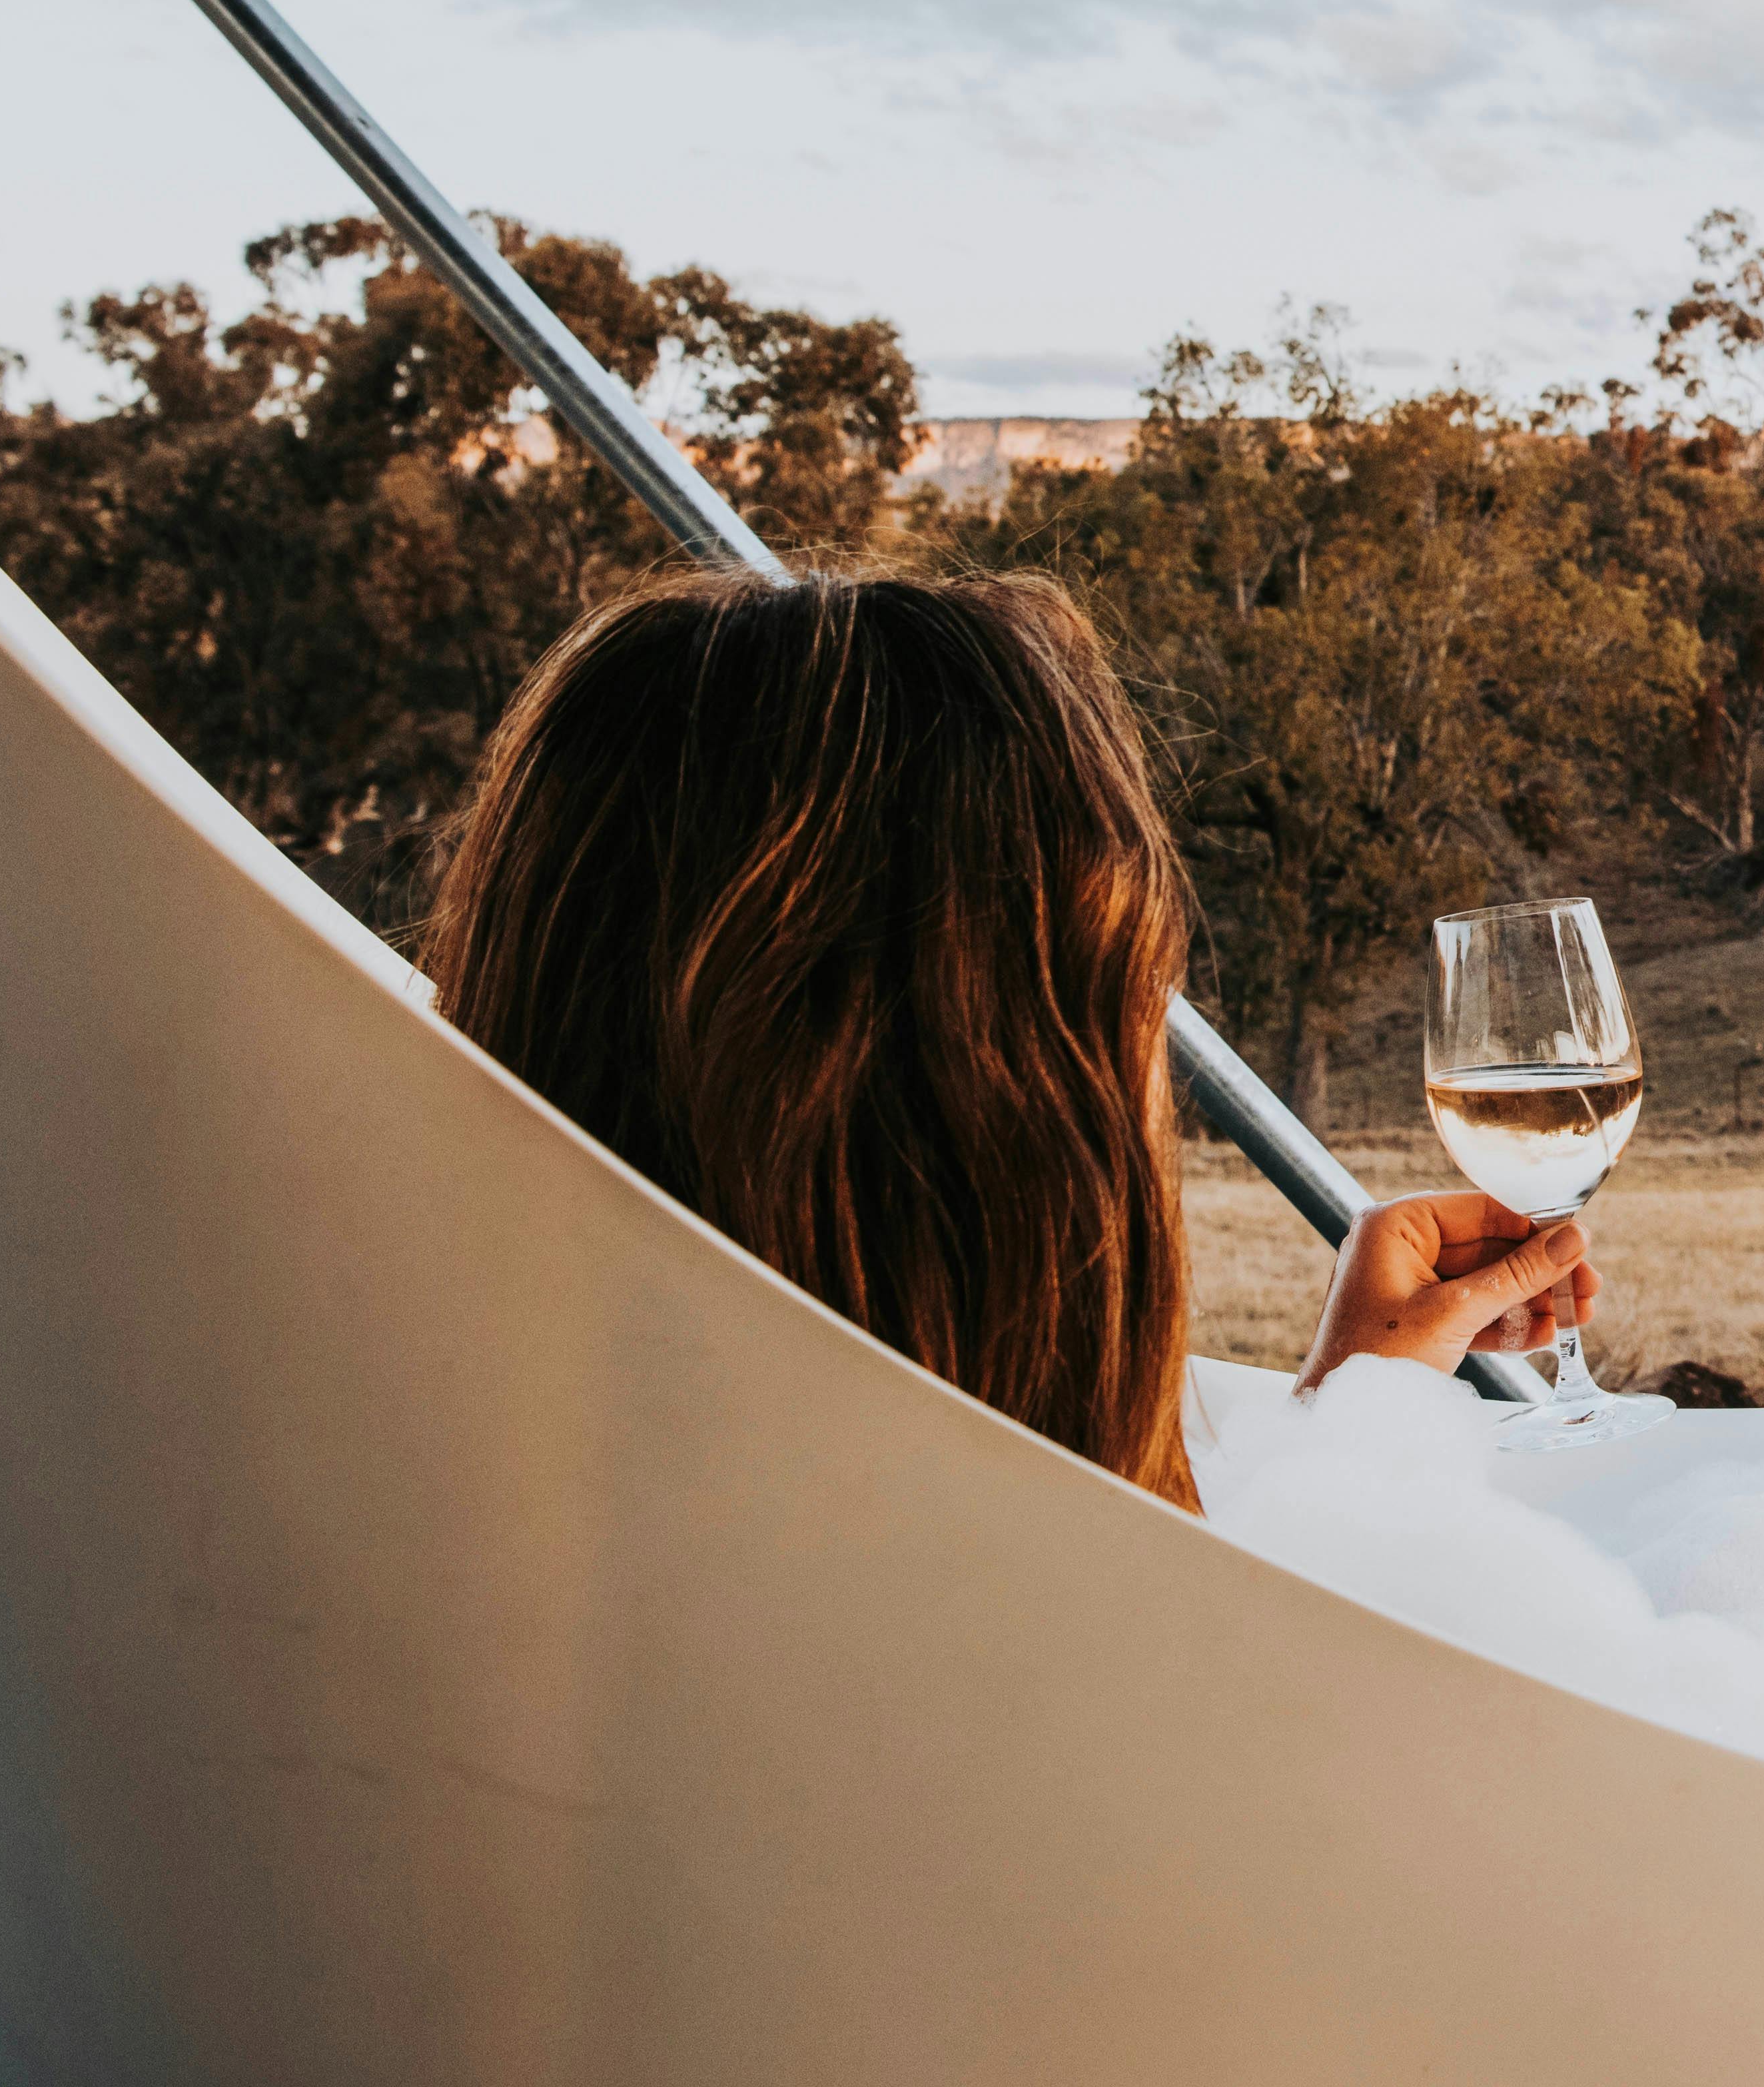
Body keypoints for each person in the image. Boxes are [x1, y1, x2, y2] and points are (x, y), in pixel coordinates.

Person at [414, 566, 1593, 1511]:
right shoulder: (1068, 1640)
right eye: (1131, 998)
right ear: (1015, 1113)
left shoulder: (412, 1498)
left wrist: (1362, 1400)